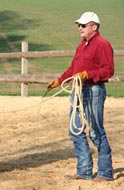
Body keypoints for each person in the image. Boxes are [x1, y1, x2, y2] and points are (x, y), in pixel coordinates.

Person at [46, 12, 114, 181]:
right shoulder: (81, 46)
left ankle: (105, 172)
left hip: (94, 91)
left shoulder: (102, 44)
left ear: (94, 27)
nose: (80, 28)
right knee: (74, 130)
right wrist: (59, 81)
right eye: (79, 25)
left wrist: (87, 74)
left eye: (83, 25)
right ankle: (84, 170)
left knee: (96, 132)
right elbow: (73, 69)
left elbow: (108, 70)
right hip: (78, 91)